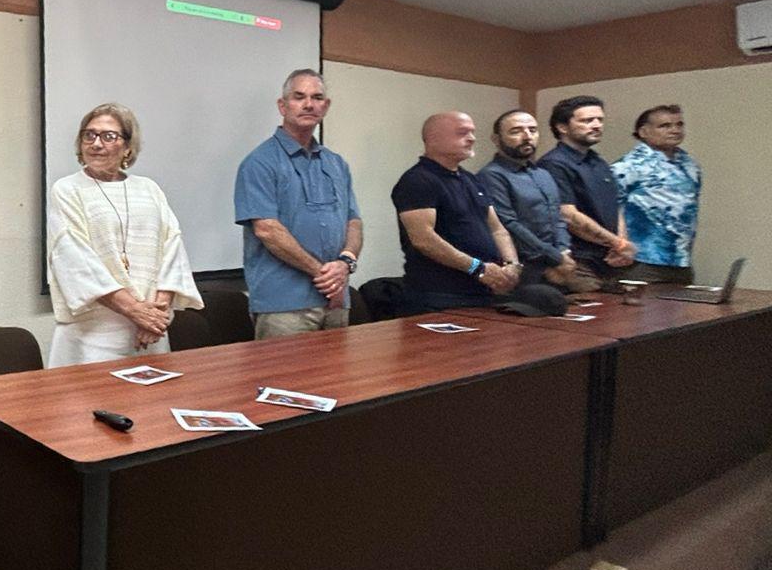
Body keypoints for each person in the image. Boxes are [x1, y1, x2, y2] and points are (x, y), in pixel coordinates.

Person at [47, 103, 202, 367]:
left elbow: (172, 248)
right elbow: (74, 259)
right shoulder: (68, 189)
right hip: (93, 334)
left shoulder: (149, 189)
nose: (96, 143)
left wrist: (157, 314)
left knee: (154, 392)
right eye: (89, 135)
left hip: (149, 332)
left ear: (128, 146)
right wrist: (135, 310)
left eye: (108, 136)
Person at [233, 70, 362, 339]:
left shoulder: (336, 163)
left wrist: (346, 262)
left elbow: (353, 221)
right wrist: (324, 275)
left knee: (338, 369)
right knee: (284, 369)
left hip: (336, 299)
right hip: (284, 304)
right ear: (283, 106)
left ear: (325, 107)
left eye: (317, 98)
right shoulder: (260, 162)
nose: (309, 104)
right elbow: (267, 230)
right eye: (299, 97)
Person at [392, 112, 525, 312]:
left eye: (472, 132)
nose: (472, 138)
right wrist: (476, 268)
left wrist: (512, 265)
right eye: (462, 133)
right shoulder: (418, 180)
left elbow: (497, 229)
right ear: (433, 139)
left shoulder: (471, 179)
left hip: (484, 291)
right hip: (440, 296)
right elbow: (423, 239)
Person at [477, 110, 583, 294]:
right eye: (516, 131)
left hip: (559, 265)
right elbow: (508, 224)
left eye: (532, 130)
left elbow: (558, 218)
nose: (527, 137)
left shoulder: (543, 174)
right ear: (496, 139)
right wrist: (555, 257)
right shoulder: (491, 175)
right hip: (522, 269)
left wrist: (564, 251)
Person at [537, 95, 635, 285]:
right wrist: (618, 243)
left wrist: (621, 242)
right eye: (587, 120)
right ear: (562, 127)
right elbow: (568, 216)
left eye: (600, 120)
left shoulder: (598, 161)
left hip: (609, 259)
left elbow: (615, 206)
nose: (597, 125)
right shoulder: (554, 164)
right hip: (577, 261)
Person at [611, 105, 701, 284]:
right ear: (643, 132)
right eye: (665, 126)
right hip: (642, 261)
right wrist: (620, 245)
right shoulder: (629, 165)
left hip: (680, 260)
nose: (674, 130)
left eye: (679, 124)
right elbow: (610, 207)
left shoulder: (689, 164)